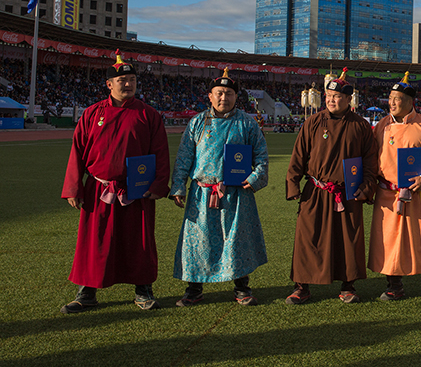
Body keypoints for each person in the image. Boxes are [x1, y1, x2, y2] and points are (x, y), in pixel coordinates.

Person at [60, 50, 170, 313]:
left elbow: (161, 152)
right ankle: (86, 292)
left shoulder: (149, 115)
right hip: (99, 189)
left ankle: (143, 291)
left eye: (132, 79)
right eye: (122, 80)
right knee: (94, 241)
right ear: (109, 84)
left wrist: (157, 186)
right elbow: (77, 151)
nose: (128, 84)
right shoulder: (91, 114)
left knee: (139, 241)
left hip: (138, 190)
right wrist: (74, 187)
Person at [170, 69, 269, 306]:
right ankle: (194, 289)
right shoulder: (197, 122)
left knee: (237, 240)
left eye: (229, 93)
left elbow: (261, 157)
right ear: (210, 96)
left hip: (237, 193)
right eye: (219, 93)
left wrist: (255, 178)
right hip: (202, 193)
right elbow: (185, 157)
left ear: (236, 97)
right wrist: (178, 187)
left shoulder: (247, 123)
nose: (224, 98)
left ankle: (242, 288)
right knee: (198, 241)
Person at [285, 68, 378, 304]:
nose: (331, 100)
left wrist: (366, 188)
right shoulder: (313, 122)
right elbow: (299, 155)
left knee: (348, 239)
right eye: (328, 96)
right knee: (308, 237)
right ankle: (301, 286)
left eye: (336, 97)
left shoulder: (361, 126)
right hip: (316, 191)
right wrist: (293, 184)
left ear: (348, 99)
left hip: (348, 193)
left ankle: (348, 286)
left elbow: (370, 161)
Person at [368, 72, 421, 302]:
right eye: (390, 98)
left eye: (398, 98)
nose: (392, 103)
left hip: (417, 192)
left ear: (410, 102)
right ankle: (394, 285)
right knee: (389, 239)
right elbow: (371, 158)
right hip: (387, 193)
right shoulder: (381, 126)